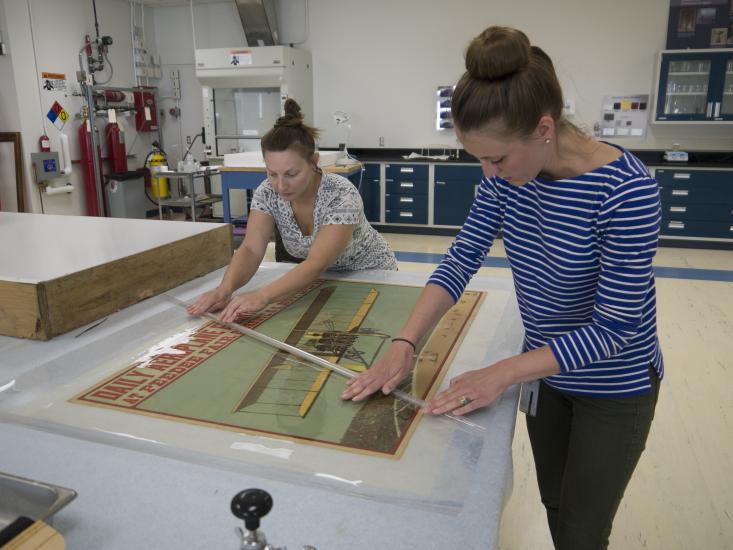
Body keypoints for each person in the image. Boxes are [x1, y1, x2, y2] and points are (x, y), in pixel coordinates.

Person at [342, 26, 662, 549]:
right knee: (555, 504)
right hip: (547, 376)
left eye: (497, 159)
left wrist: (502, 373)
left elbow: (616, 329)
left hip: (613, 387)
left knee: (583, 532)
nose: (489, 173)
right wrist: (406, 344)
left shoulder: (626, 190)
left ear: (543, 129)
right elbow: (460, 259)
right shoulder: (503, 178)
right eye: (480, 160)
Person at [188, 99, 397, 322]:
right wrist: (224, 290)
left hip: (372, 275)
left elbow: (316, 262)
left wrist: (262, 296)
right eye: (272, 173)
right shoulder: (267, 192)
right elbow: (250, 249)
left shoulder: (341, 195)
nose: (280, 185)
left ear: (314, 161)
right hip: (322, 280)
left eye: (291, 174)